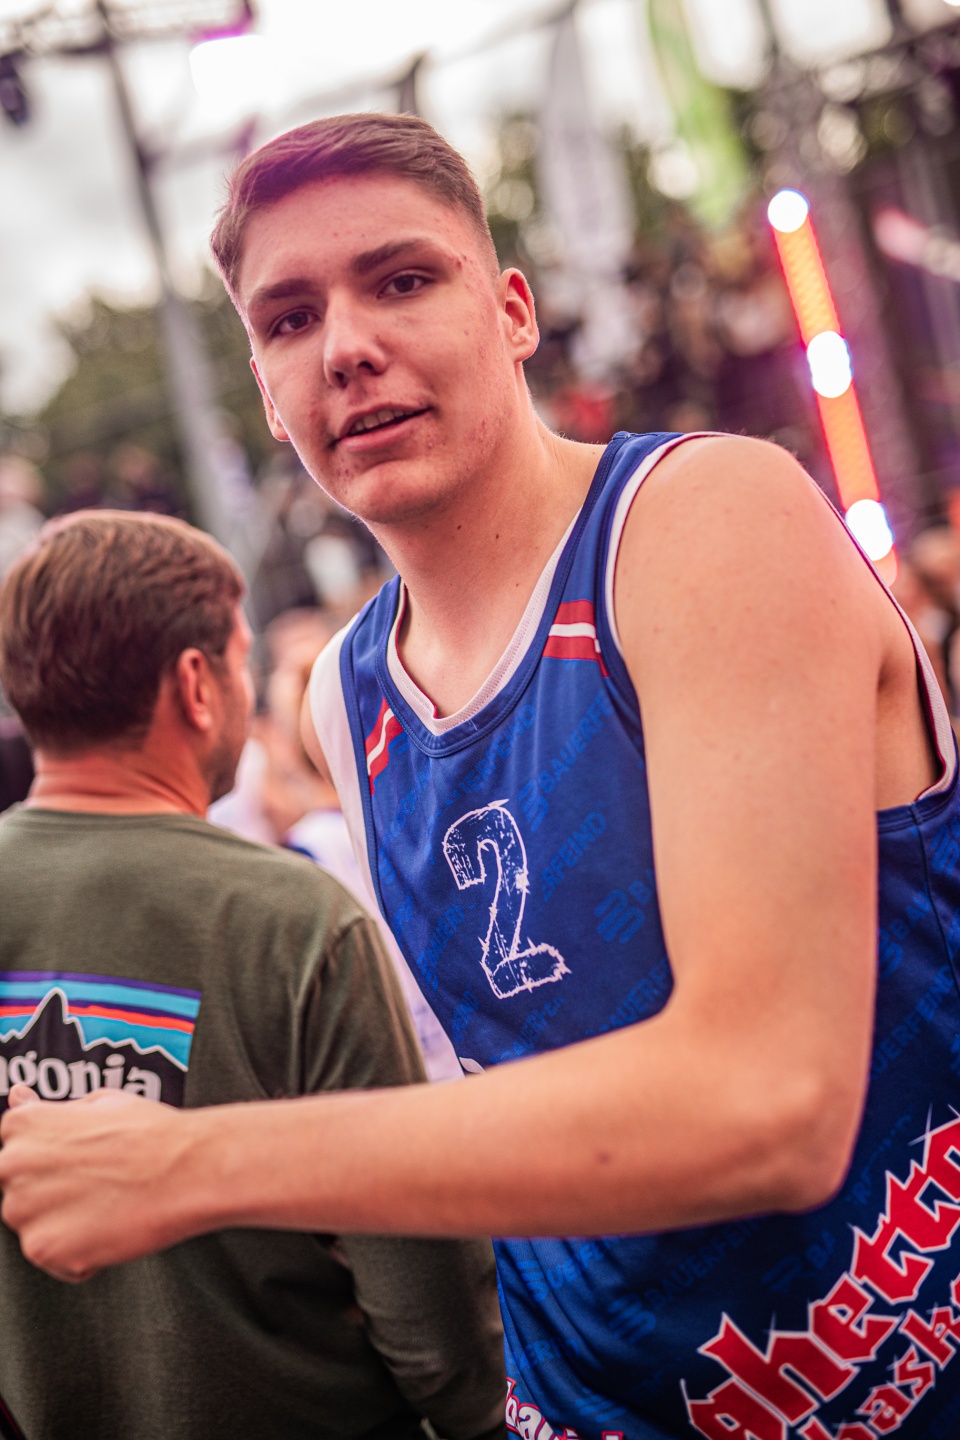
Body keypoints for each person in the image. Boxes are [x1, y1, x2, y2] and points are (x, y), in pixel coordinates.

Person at [2, 113, 959, 1439]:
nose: (346, 347)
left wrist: (187, 1161)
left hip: (897, 1374)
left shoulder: (700, 519)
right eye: (290, 320)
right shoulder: (344, 695)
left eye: (402, 280)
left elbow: (768, 1102)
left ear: (512, 311)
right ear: (267, 393)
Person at [0, 510, 506, 1440]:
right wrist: (477, 1411)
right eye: (240, 663)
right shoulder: (294, 921)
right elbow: (423, 1289)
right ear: (196, 685)